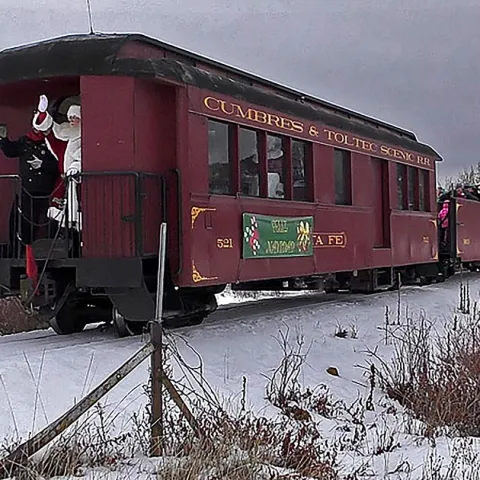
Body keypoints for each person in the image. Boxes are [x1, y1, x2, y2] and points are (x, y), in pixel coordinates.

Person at [0, 120, 60, 246]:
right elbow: (10, 151)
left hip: (48, 189)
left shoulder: (52, 143)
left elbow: (59, 165)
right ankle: (27, 248)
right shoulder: (24, 141)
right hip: (28, 189)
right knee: (28, 219)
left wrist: (42, 165)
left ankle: (51, 246)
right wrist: (3, 139)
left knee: (50, 218)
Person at [35, 95, 82, 230]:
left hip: (77, 181)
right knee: (58, 212)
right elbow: (50, 129)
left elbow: (83, 157)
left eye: (75, 118)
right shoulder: (65, 132)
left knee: (78, 215)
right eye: (70, 117)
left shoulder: (85, 135)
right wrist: (42, 113)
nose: (72, 120)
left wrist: (75, 167)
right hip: (63, 181)